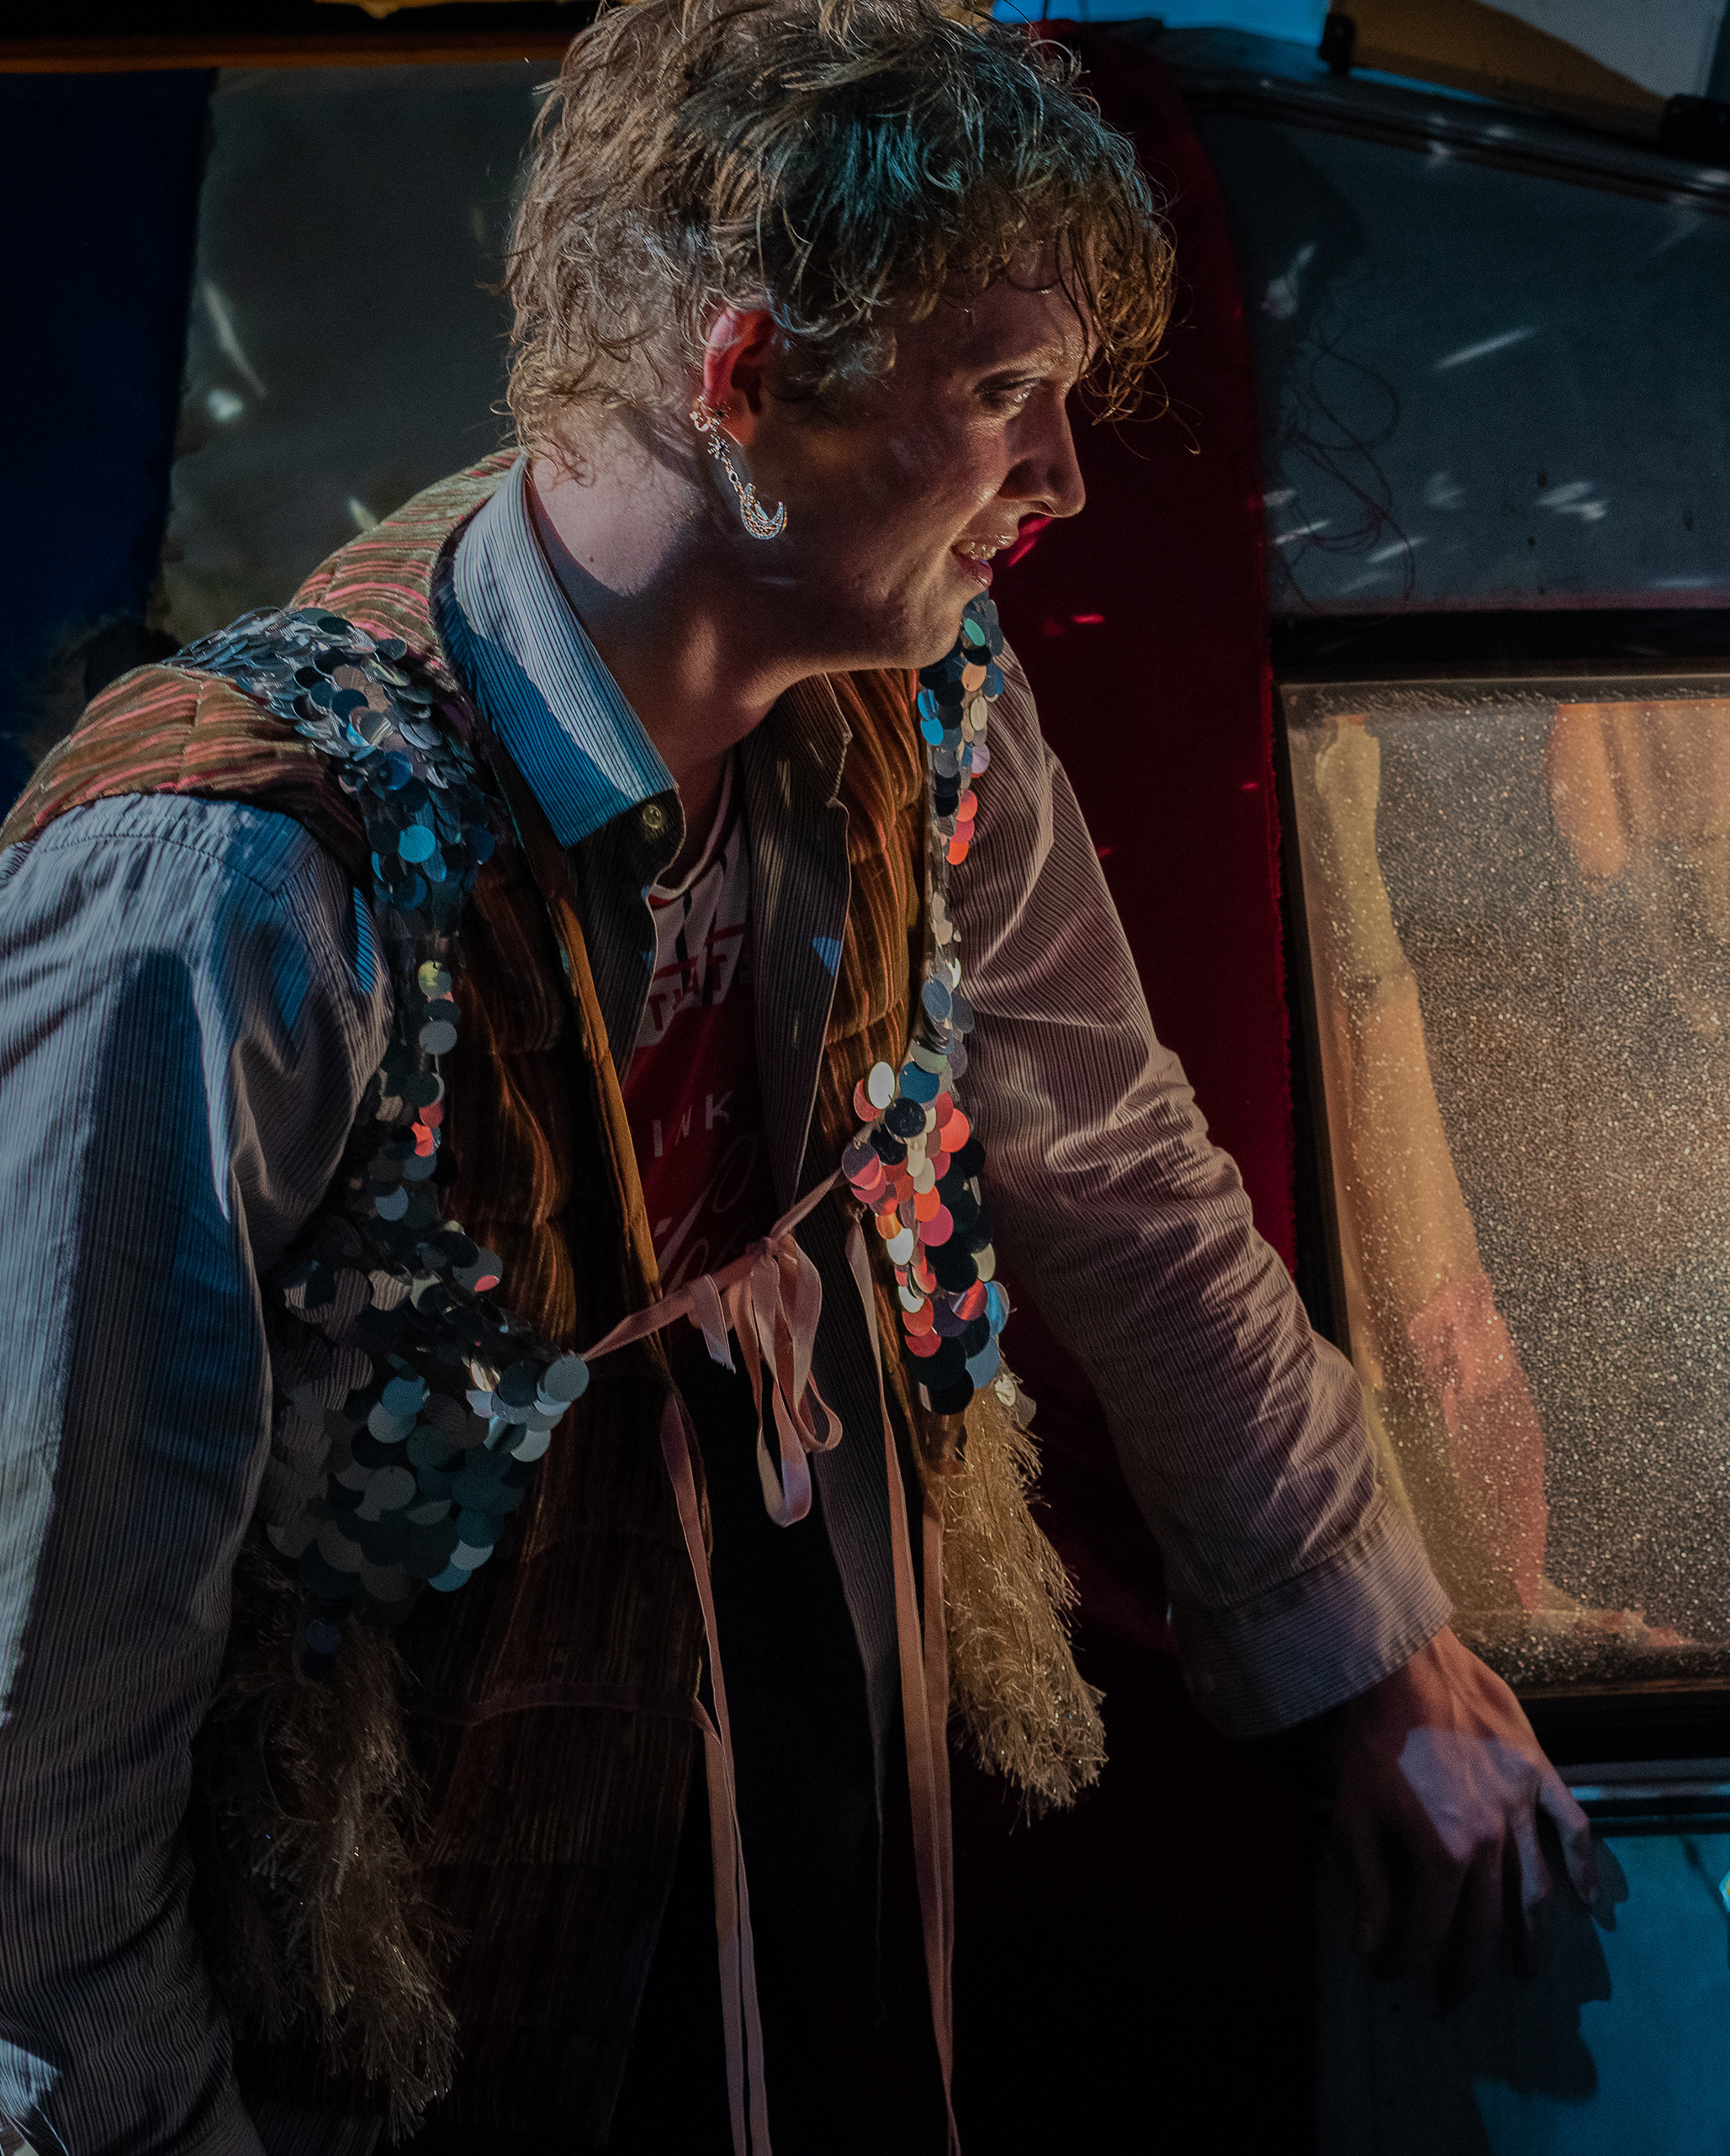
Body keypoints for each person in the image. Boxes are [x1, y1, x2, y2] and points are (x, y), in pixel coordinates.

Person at [0, 8, 1591, 2153]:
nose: (1062, 479)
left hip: (770, 1831)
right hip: (367, 1975)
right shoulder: (224, 886)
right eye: (1005, 394)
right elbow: (43, 1716)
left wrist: (1370, 1644)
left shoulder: (916, 708)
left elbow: (1117, 1164)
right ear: (743, 379)